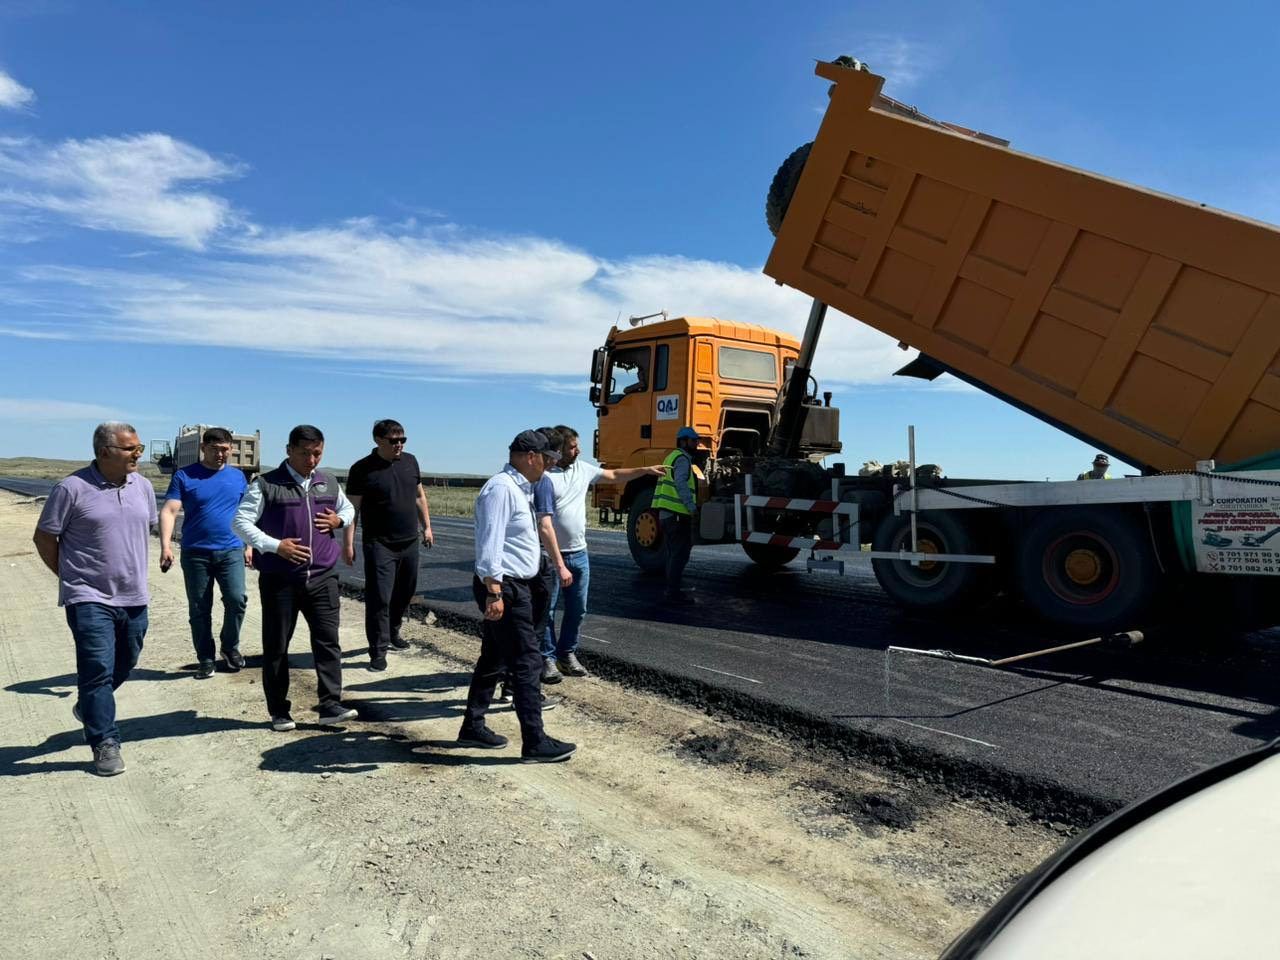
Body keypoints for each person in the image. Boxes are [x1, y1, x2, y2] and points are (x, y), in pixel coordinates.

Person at [32, 422, 157, 776]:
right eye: (131, 449)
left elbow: (140, 529)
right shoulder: (71, 488)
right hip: (87, 597)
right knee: (97, 669)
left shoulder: (143, 487)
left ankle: (89, 706)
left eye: (139, 448)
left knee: (127, 660)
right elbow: (44, 538)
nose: (138, 455)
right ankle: (104, 741)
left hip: (134, 595)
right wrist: (71, 579)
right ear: (105, 452)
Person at [457, 430, 576, 763]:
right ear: (530, 457)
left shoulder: (519, 488)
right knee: (526, 661)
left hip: (513, 585)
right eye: (547, 461)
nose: (549, 467)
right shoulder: (501, 490)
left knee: (493, 657)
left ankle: (472, 726)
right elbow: (489, 544)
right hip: (503, 587)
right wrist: (494, 592)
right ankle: (535, 741)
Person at [232, 424, 358, 731]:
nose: (311, 460)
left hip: (323, 578)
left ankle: (330, 705)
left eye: (317, 453)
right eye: (305, 453)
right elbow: (240, 522)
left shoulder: (327, 481)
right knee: (277, 646)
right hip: (280, 580)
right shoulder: (266, 484)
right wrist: (275, 546)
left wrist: (339, 519)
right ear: (289, 450)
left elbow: (349, 508)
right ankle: (279, 711)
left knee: (328, 643)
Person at [543, 425, 666, 676]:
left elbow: (613, 475)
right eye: (573, 447)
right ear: (559, 450)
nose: (579, 450)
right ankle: (546, 658)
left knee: (577, 609)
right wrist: (557, 562)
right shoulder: (544, 477)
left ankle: (566, 654)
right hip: (550, 556)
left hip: (579, 553)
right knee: (547, 610)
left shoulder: (582, 468)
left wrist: (644, 471)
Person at [158, 426, 251, 679]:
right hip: (195, 552)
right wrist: (165, 546)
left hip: (231, 549)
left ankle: (230, 647)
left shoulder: (238, 477)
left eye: (225, 450)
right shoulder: (185, 476)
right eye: (215, 449)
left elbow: (247, 513)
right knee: (199, 609)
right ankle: (206, 659)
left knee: (237, 599)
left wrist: (250, 544)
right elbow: (169, 510)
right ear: (203, 448)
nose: (220, 454)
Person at [343, 419, 434, 672]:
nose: (399, 445)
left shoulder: (410, 461)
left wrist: (427, 526)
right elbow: (353, 510)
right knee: (379, 598)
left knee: (405, 591)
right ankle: (378, 651)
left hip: (409, 541)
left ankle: (393, 631)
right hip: (379, 544)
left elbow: (419, 496)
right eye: (393, 441)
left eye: (402, 440)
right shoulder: (362, 469)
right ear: (378, 440)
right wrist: (347, 544)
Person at [532, 426, 574, 685]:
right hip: (537, 561)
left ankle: (515, 681)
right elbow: (545, 526)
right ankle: (532, 674)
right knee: (538, 618)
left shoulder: (512, 481)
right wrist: (559, 564)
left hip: (529, 561)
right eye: (554, 455)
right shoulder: (542, 482)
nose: (555, 462)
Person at [653, 426, 701, 603]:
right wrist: (691, 507)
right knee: (679, 554)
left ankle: (672, 588)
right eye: (693, 440)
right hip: (677, 515)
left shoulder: (671, 457)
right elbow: (680, 483)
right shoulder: (682, 459)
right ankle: (673, 592)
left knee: (674, 553)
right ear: (683, 441)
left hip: (668, 514)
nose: (697, 443)